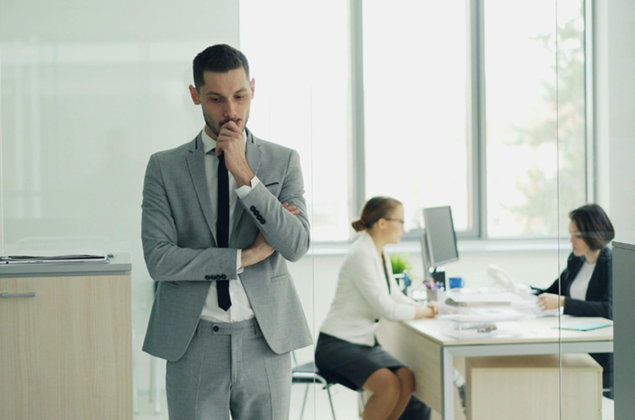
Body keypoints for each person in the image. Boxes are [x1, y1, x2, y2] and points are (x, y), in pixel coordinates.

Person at [141, 44, 312, 420]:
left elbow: (296, 244)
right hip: (194, 341)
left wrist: (245, 175)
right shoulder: (164, 168)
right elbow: (159, 260)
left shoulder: (283, 161)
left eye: (240, 96)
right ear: (194, 95)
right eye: (216, 99)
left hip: (266, 340)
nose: (231, 111)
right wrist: (245, 257)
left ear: (253, 88)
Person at [316, 197, 437, 420]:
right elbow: (387, 309)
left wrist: (424, 307)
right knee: (389, 386)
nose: (403, 227)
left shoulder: (379, 252)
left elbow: (393, 293)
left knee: (406, 379)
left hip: (362, 342)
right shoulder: (361, 253)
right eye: (400, 221)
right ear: (382, 223)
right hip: (335, 345)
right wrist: (427, 312)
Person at [535, 203, 614, 397]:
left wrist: (563, 302)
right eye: (571, 234)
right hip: (575, 339)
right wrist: (524, 292)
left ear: (593, 233)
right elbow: (553, 291)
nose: (572, 241)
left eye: (577, 235)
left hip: (598, 349)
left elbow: (609, 309)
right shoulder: (576, 259)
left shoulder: (611, 263)